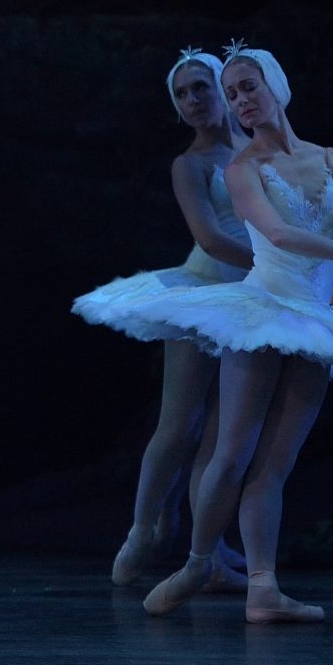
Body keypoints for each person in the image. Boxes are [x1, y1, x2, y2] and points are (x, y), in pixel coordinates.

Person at [118, 42, 333, 623]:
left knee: (276, 462)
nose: (240, 100)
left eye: (248, 87)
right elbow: (276, 232)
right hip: (264, 309)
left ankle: (264, 587)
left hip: (316, 317)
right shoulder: (241, 169)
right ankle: (199, 560)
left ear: (276, 86)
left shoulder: (331, 158)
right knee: (231, 450)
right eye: (233, 93)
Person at [71, 48, 253, 587]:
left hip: (251, 300)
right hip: (206, 290)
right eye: (182, 93)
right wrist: (281, 267)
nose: (193, 100)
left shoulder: (257, 151)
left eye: (201, 87)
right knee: (181, 423)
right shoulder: (190, 164)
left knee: (224, 437)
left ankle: (209, 548)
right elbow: (212, 238)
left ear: (224, 89)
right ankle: (144, 529)